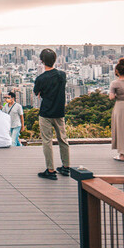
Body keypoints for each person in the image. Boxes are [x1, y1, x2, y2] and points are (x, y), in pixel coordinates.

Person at [34, 48, 70, 180]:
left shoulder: (40, 79)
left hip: (46, 113)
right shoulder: (62, 75)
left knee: (47, 141)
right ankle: (66, 167)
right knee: (63, 139)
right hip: (59, 112)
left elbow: (37, 94)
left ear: (42, 61)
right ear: (55, 60)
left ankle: (51, 170)